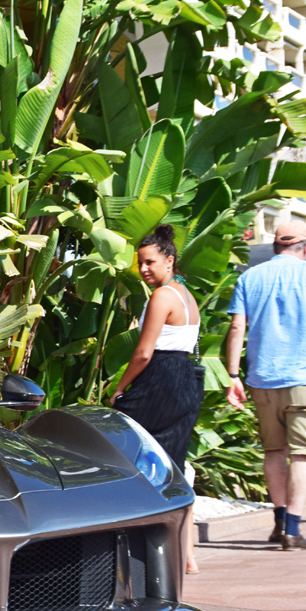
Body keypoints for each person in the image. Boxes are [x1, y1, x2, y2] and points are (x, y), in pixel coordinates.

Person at [225, 220, 306, 550]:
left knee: (274, 451)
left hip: (262, 378)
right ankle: (293, 529)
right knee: (304, 454)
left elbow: (237, 328)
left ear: (276, 247)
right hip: (305, 377)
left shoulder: (249, 277)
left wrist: (233, 376)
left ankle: (278, 522)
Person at [110, 225, 202, 573]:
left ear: (169, 260)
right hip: (185, 380)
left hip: (160, 379)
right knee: (175, 466)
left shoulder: (162, 296)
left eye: (150, 262)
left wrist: (120, 389)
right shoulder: (186, 295)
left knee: (132, 456)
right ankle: (188, 556)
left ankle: (139, 548)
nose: (144, 269)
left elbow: (144, 353)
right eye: (140, 263)